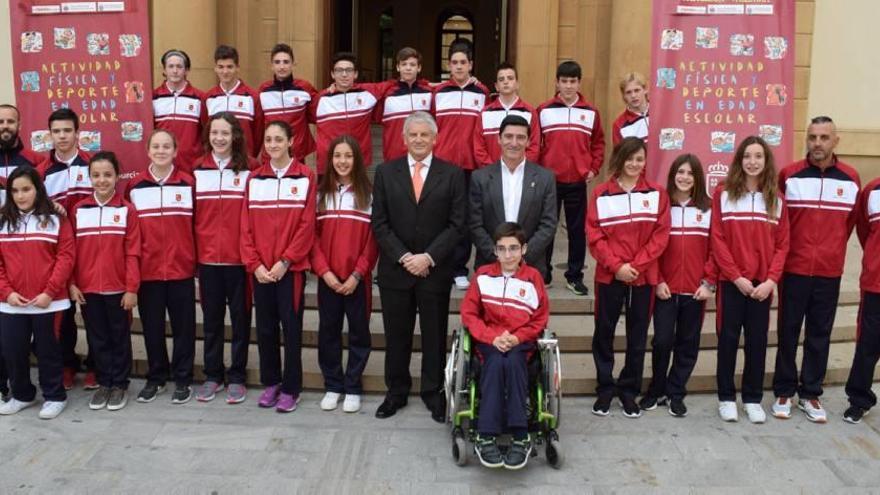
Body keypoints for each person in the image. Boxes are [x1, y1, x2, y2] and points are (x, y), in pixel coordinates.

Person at [371, 111, 466, 422]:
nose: (419, 140)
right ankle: (395, 392)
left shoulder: (451, 174)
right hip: (396, 271)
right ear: (404, 138)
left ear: (435, 138)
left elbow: (457, 224)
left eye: (425, 135)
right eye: (413, 134)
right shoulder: (386, 172)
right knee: (396, 336)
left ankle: (432, 392)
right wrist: (405, 257)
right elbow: (380, 223)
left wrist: (428, 257)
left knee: (433, 336)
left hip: (433, 271)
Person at [771, 116, 860, 423]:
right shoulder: (789, 176)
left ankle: (810, 393)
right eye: (812, 137)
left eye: (824, 137)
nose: (817, 143)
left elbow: (848, 224)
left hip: (828, 271)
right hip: (794, 269)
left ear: (836, 141)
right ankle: (783, 390)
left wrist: (830, 250)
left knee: (820, 334)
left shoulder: (850, 179)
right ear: (806, 140)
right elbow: (780, 223)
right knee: (788, 331)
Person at [587, 137, 670, 418]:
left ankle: (628, 390)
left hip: (643, 278)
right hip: (609, 277)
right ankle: (605, 388)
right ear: (619, 159)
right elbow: (595, 236)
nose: (634, 164)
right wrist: (617, 266)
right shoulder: (601, 194)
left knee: (637, 337)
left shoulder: (657, 193)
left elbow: (661, 236)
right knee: (604, 334)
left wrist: (637, 265)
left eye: (640, 159)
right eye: (629, 158)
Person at [711, 136, 789, 424]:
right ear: (739, 160)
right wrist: (735, 277)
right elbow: (717, 239)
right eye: (747, 156)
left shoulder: (776, 199)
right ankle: (726, 397)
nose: (752, 162)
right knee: (728, 339)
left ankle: (753, 398)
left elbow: (783, 244)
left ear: (766, 161)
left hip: (762, 285)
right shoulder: (724, 194)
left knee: (757, 341)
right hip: (733, 283)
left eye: (758, 156)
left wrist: (771, 281)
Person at [240, 120, 316, 413]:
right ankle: (271, 382)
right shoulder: (255, 179)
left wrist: (286, 261)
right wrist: (255, 264)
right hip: (260, 271)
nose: (272, 145)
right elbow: (244, 227)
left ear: (291, 142)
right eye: (268, 140)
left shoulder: (305, 176)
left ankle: (291, 388)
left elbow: (307, 226)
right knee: (267, 328)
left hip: (289, 270)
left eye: (278, 139)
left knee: (291, 328)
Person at [460, 222, 549, 470]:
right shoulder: (483, 276)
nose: (507, 255)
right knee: (497, 361)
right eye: (502, 249)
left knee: (513, 361)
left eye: (513, 248)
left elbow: (540, 318)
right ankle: (486, 434)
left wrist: (518, 337)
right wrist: (491, 337)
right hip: (489, 340)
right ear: (495, 251)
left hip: (521, 342)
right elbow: (469, 314)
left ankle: (520, 435)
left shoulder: (534, 279)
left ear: (524, 249)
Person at [639, 154, 714, 417]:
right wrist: (657, 280)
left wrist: (709, 284)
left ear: (698, 178)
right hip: (665, 290)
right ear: (672, 176)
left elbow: (716, 251)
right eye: (680, 172)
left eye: (690, 173)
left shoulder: (708, 209)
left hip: (695, 291)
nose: (684, 178)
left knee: (687, 342)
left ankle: (676, 392)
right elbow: (652, 249)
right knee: (661, 340)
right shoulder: (661, 207)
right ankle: (656, 389)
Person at [125, 130, 197, 405]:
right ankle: (156, 377)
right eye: (156, 146)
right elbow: (130, 234)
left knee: (184, 328)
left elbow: (196, 226)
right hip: (149, 271)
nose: (161, 150)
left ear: (176, 151)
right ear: (148, 150)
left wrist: (193, 263)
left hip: (181, 270)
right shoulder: (135, 187)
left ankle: (183, 378)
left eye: (167, 146)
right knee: (153, 328)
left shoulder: (188, 183)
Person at [192, 113, 259, 404]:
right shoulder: (196, 171)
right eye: (214, 133)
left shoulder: (251, 170)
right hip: (207, 261)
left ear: (235, 136)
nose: (219, 138)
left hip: (239, 262)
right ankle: (212, 374)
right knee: (211, 322)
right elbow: (191, 218)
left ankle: (237, 376)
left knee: (241, 321)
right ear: (208, 136)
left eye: (225, 133)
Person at [0, 166, 75, 419]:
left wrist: (49, 292)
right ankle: (22, 394)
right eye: (15, 191)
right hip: (12, 303)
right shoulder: (3, 220)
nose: (21, 196)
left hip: (48, 302)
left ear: (38, 189)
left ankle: (54, 396)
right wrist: (7, 292)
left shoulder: (56, 219)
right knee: (13, 350)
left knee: (48, 350)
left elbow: (66, 257)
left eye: (26, 189)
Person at [310, 135, 378, 414]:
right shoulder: (320, 195)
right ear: (330, 159)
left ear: (357, 159)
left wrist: (358, 274)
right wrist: (324, 273)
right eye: (337, 156)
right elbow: (311, 238)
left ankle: (353, 386)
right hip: (328, 279)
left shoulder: (369, 195)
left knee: (359, 333)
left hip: (355, 281)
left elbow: (373, 241)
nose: (342, 161)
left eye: (348, 156)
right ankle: (333, 384)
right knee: (328, 333)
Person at [69, 152, 140, 411]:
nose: (102, 180)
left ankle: (120, 383)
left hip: (118, 289)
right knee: (97, 338)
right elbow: (71, 252)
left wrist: (131, 288)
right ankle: (104, 382)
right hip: (88, 289)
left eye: (107, 175)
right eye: (96, 175)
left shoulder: (126, 210)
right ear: (89, 177)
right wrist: (73, 284)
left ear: (117, 177)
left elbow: (133, 252)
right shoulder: (79, 210)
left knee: (119, 337)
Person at [37, 108, 96, 391]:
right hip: (58, 252)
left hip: (91, 250)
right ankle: (67, 365)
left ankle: (96, 366)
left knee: (94, 312)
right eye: (57, 131)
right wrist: (47, 206)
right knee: (63, 314)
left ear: (77, 133)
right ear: (50, 134)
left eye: (67, 131)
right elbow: (33, 209)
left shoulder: (93, 163)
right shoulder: (42, 172)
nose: (62, 136)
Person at [538, 60, 605, 295]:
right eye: (564, 81)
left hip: (577, 180)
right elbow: (536, 144)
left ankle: (574, 275)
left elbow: (598, 144)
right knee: (546, 228)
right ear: (557, 82)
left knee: (577, 231)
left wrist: (593, 168)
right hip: (550, 181)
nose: (568, 86)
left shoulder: (590, 112)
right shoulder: (544, 110)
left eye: (573, 81)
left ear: (579, 83)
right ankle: (543, 273)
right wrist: (539, 172)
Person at [469, 115, 557, 280]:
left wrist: (521, 257)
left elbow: (549, 224)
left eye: (521, 137)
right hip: (490, 267)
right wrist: (499, 256)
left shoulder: (545, 178)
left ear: (528, 142)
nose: (514, 143)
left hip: (530, 267)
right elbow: (475, 224)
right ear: (499, 139)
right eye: (508, 136)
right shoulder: (480, 178)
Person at [432, 40, 490, 290]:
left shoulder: (482, 93)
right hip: (443, 164)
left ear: (471, 65)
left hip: (471, 165)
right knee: (439, 215)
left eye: (463, 63)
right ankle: (439, 263)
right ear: (448, 65)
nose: (458, 66)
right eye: (454, 62)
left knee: (464, 219)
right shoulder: (439, 92)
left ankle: (459, 268)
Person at [842, 176, 880, 424]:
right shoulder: (872, 190)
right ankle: (859, 399)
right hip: (876, 282)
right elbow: (864, 230)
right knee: (868, 344)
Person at [311, 52, 386, 176]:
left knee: (359, 196)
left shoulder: (367, 93)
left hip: (358, 161)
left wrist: (427, 86)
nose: (344, 74)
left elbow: (392, 86)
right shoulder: (320, 99)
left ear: (355, 74)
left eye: (349, 70)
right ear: (332, 74)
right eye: (339, 70)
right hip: (328, 164)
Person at [257, 43, 318, 163]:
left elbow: (319, 112)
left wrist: (334, 89)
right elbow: (257, 124)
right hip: (270, 155)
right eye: (277, 62)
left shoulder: (305, 88)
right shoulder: (263, 91)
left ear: (293, 64)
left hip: (297, 155)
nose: (282, 66)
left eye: (286, 62)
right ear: (272, 66)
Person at [473, 62, 540, 167]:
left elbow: (534, 147)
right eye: (501, 79)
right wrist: (494, 171)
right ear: (496, 86)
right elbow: (479, 148)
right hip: (491, 176)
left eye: (510, 78)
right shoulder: (485, 113)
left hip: (521, 174)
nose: (506, 82)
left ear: (517, 84)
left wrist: (519, 169)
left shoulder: (530, 112)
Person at [152, 49, 206, 173]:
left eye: (179, 66)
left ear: (186, 70)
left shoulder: (200, 98)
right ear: (164, 70)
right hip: (161, 166)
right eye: (170, 66)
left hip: (191, 166)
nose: (175, 71)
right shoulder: (154, 97)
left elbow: (206, 133)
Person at [205, 45, 263, 157]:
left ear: (237, 68)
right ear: (215, 68)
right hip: (217, 163)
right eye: (221, 67)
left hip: (245, 162)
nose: (225, 71)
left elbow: (258, 134)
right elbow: (206, 132)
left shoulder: (252, 97)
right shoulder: (209, 98)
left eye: (230, 67)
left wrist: (250, 155)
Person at [377, 47, 433, 162]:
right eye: (404, 64)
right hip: (394, 155)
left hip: (423, 156)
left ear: (419, 68)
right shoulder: (386, 94)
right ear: (398, 67)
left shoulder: (428, 92)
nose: (408, 68)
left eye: (412, 65)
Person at [0, 104, 42, 177]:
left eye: (10, 121)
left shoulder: (37, 160)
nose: (5, 126)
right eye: (0, 122)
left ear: (19, 126)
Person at [611, 72, 650, 146]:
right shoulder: (619, 125)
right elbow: (621, 155)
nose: (633, 95)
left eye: (637, 90)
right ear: (624, 96)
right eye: (628, 92)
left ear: (645, 90)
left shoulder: (659, 112)